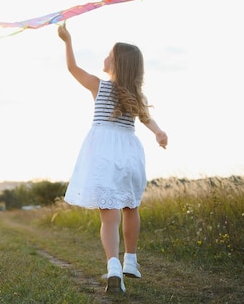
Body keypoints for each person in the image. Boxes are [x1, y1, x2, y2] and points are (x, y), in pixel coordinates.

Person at [57, 22, 168, 294]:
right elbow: (147, 118)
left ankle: (113, 266)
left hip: (103, 152)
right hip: (129, 153)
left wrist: (67, 40)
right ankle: (131, 260)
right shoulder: (134, 95)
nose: (104, 58)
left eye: (108, 55)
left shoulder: (99, 87)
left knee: (109, 217)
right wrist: (158, 132)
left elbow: (72, 69)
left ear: (116, 64)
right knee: (131, 207)